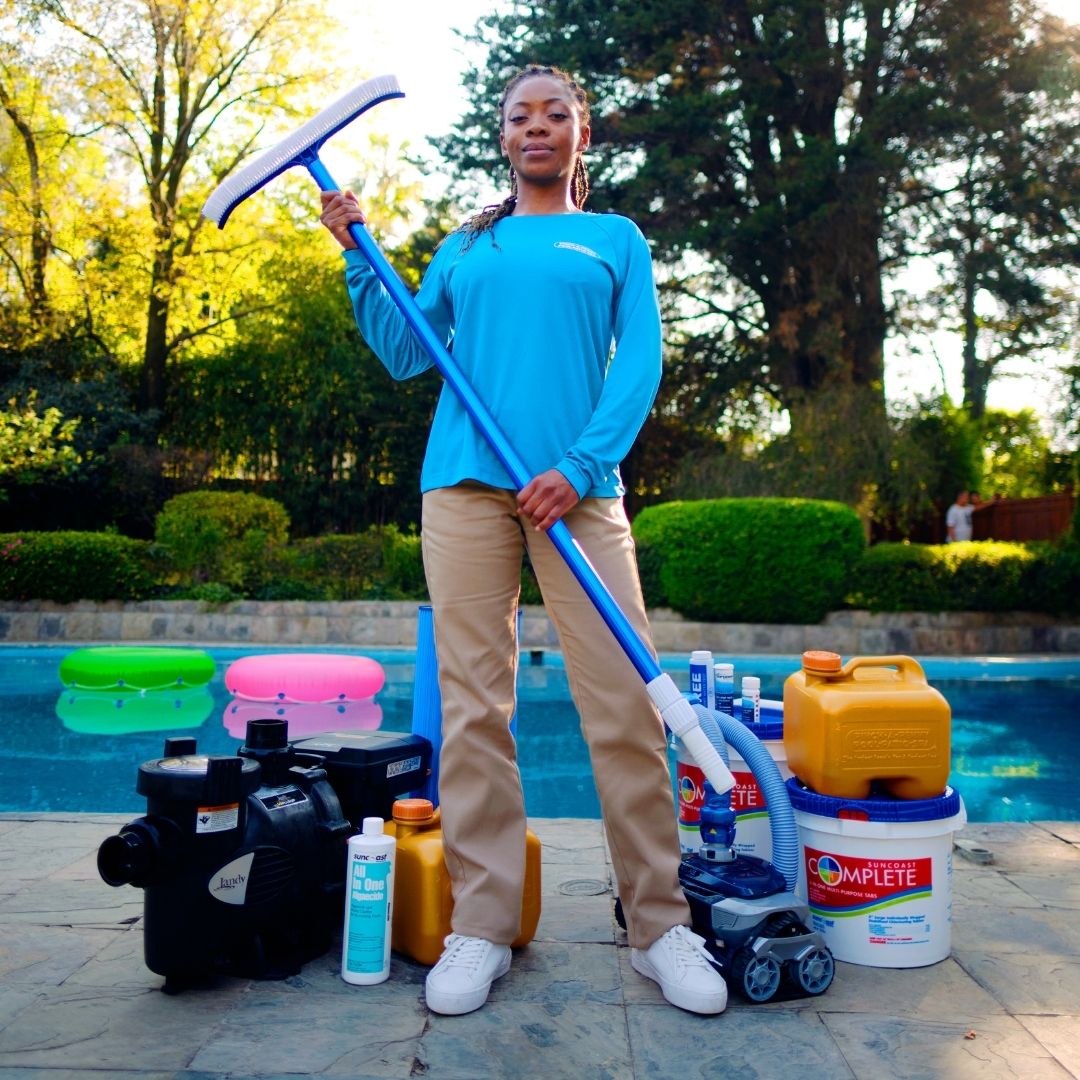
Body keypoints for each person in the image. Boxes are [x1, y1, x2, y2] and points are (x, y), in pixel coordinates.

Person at [319, 64, 727, 1017]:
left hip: (577, 496)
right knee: (473, 709)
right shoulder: (467, 244)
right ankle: (483, 925)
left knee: (626, 704)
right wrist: (353, 252)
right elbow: (407, 349)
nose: (536, 127)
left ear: (582, 134)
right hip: (466, 487)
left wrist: (580, 467)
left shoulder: (615, 239)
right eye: (518, 116)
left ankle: (659, 926)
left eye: (556, 114)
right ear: (502, 138)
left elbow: (643, 363)